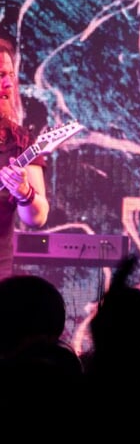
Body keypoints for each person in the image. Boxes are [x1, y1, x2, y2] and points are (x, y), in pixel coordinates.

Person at [0, 38, 49, 279]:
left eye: (10, 75)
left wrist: (24, 193)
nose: (9, 84)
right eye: (0, 75)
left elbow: (39, 217)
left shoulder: (20, 141)